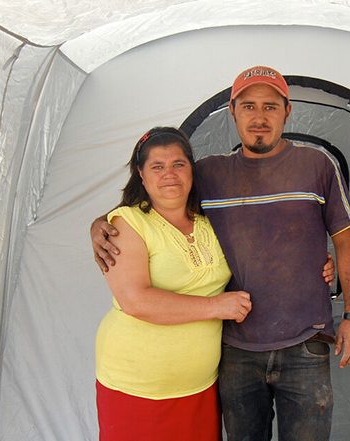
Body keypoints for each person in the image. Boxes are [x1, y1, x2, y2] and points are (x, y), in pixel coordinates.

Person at [91, 66, 350, 441]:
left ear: (288, 111)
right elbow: (157, 197)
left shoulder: (317, 166)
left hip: (306, 343)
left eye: (270, 106)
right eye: (248, 106)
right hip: (236, 349)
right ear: (232, 111)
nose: (259, 117)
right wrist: (101, 221)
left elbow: (346, 241)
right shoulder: (209, 174)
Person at [94, 127, 252, 441]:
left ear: (192, 169)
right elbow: (135, 301)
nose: (170, 174)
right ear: (141, 174)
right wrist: (217, 306)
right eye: (157, 166)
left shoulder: (210, 220)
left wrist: (320, 265)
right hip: (136, 386)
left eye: (179, 164)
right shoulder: (127, 222)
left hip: (199, 387)